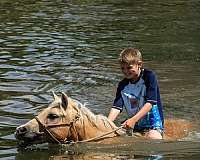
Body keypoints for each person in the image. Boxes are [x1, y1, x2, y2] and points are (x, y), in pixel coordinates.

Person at [108, 48, 164, 139]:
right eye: (123, 68)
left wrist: (133, 120)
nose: (126, 71)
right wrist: (107, 123)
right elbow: (116, 107)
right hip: (134, 125)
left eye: (129, 67)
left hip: (153, 124)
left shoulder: (149, 77)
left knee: (153, 137)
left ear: (139, 64)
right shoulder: (122, 85)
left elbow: (150, 103)